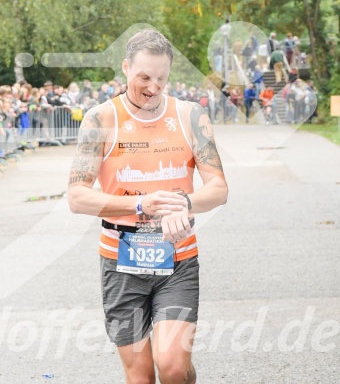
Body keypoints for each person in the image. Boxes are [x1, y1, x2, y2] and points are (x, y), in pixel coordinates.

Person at [68, 29, 228, 384]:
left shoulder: (190, 116)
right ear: (126, 68)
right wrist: (141, 203)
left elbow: (218, 188)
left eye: (161, 78)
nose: (153, 87)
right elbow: (77, 197)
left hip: (177, 258)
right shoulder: (101, 119)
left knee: (172, 367)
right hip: (120, 261)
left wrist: (184, 203)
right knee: (141, 376)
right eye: (144, 77)